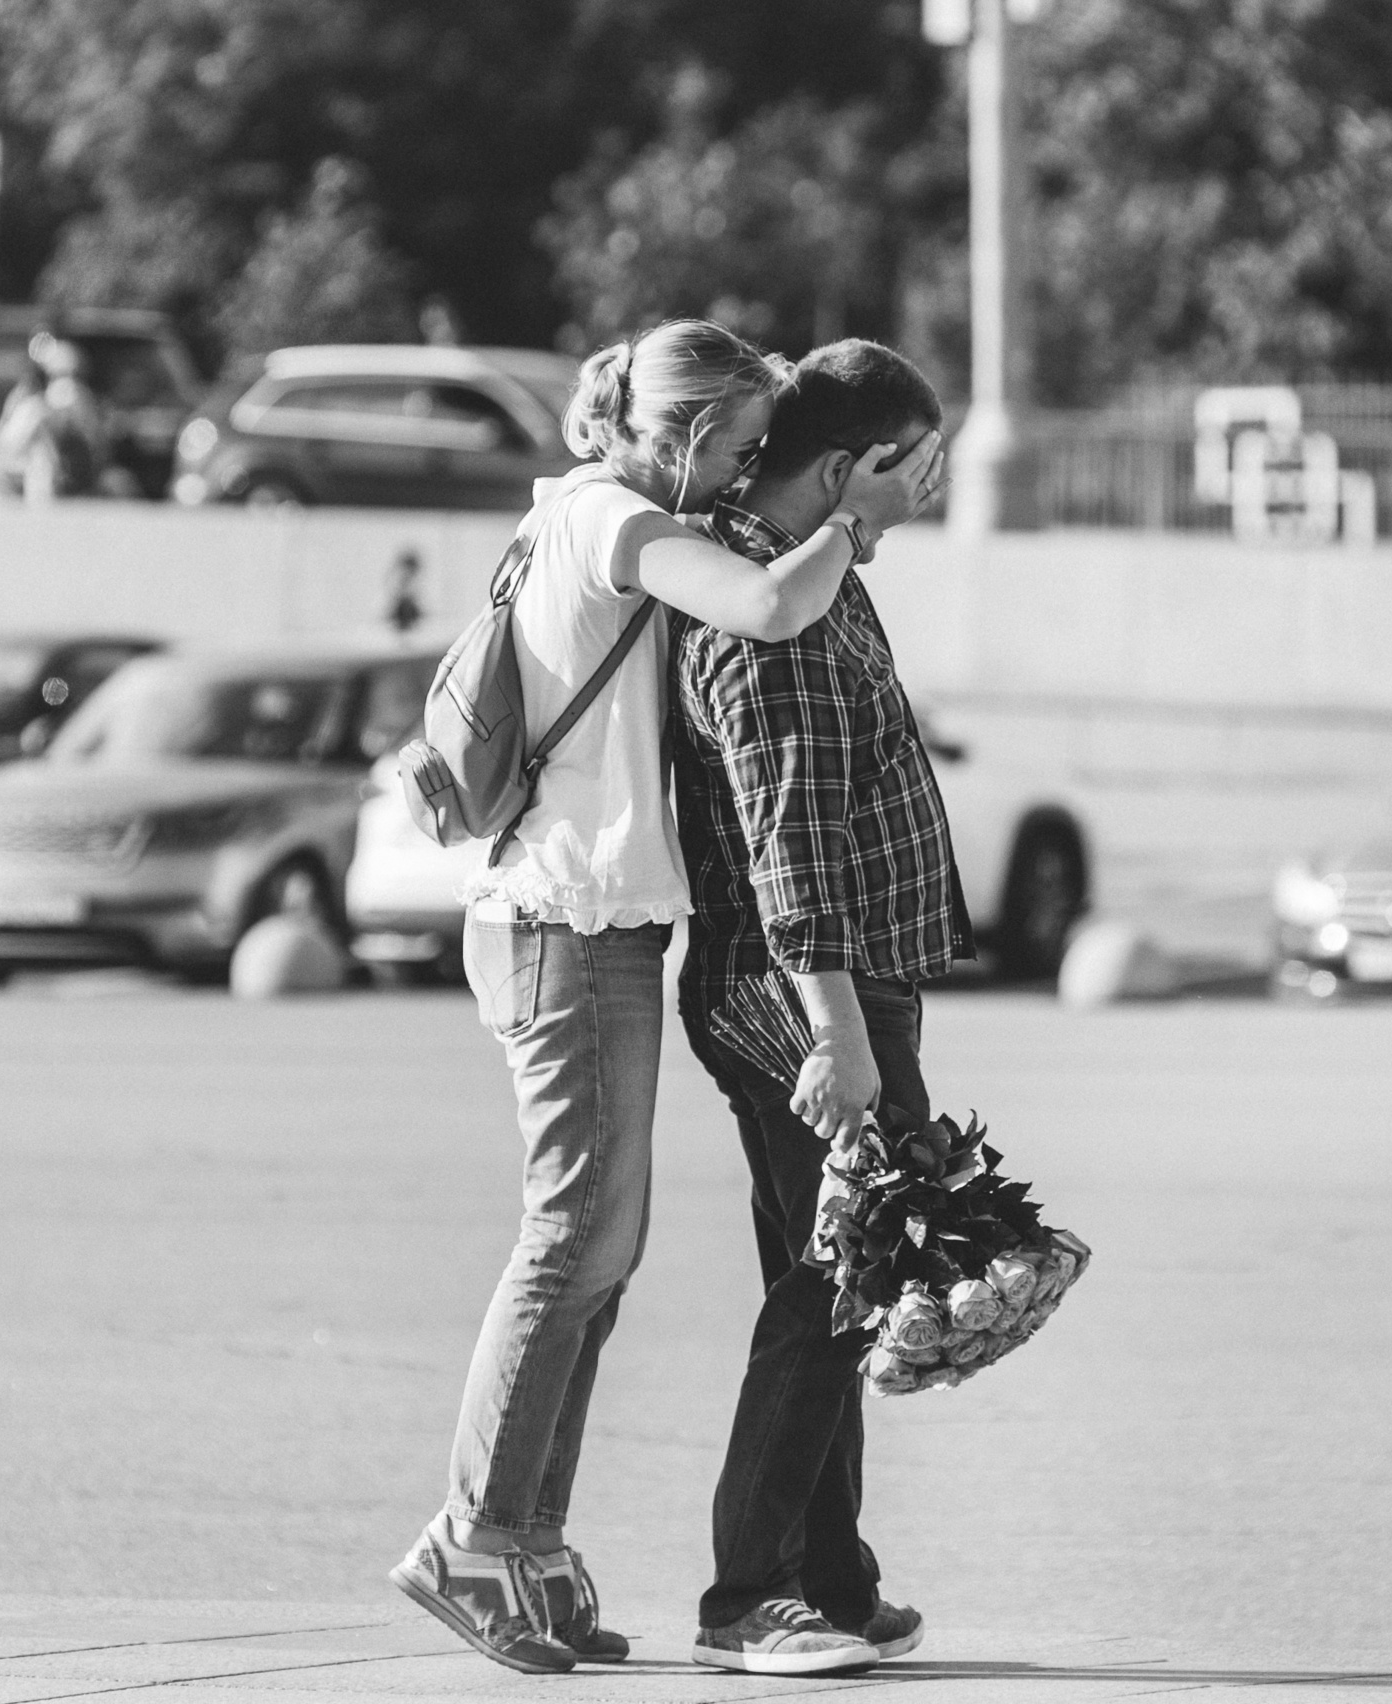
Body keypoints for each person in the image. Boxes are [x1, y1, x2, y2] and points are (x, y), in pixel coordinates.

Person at [389, 320, 946, 1677]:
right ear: (686, 436)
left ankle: (532, 1543)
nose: (757, 479)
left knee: (605, 1257)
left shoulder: (611, 522)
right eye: (749, 449)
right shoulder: (610, 520)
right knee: (575, 1239)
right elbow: (766, 616)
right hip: (566, 919)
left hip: (609, 923)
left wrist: (844, 517)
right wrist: (853, 515)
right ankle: (478, 1536)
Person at [670, 340, 970, 1676]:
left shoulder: (812, 571)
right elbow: (786, 835)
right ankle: (749, 1599)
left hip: (838, 979)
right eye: (923, 464)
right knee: (834, 1278)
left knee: (843, 1270)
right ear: (849, 468)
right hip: (803, 985)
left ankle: (833, 1578)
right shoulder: (764, 604)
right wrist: (839, 1029)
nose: (936, 488)